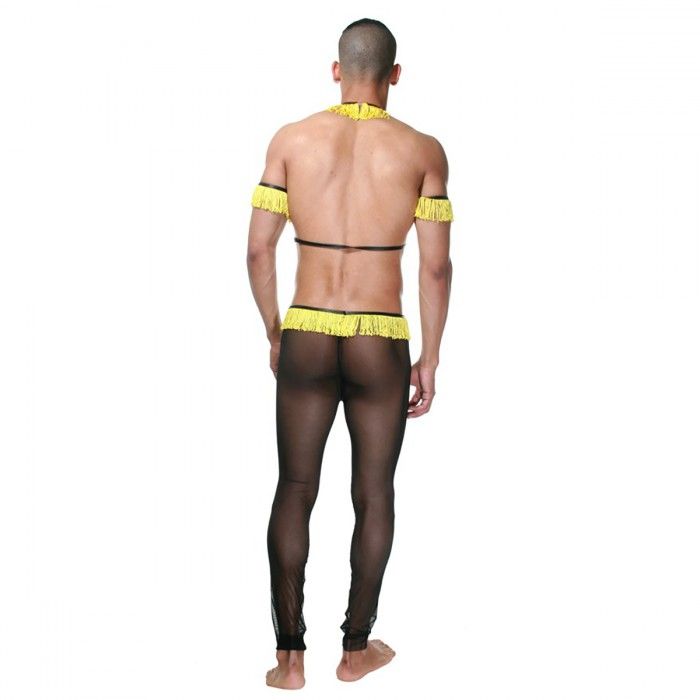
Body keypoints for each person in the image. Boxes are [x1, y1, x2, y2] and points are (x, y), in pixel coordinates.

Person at [246, 17, 454, 689]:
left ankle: (289, 660)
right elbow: (435, 269)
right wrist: (430, 357)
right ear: (395, 75)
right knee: (373, 494)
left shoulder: (290, 140)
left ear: (336, 70)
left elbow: (258, 250)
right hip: (380, 338)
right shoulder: (423, 151)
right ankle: (355, 652)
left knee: (294, 488)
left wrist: (275, 330)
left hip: (306, 330)